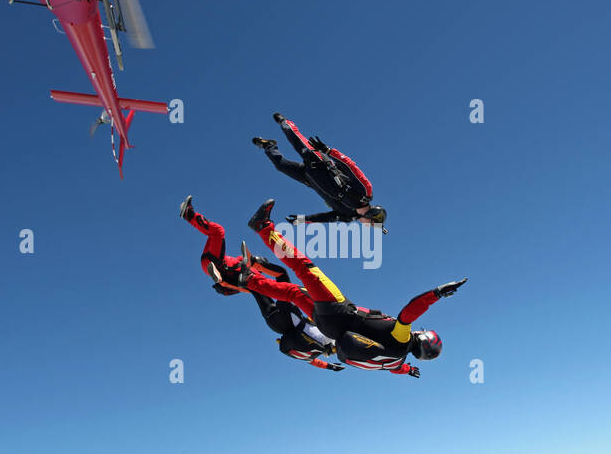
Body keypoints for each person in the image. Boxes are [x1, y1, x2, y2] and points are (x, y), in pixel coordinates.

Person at [238, 198, 466, 376]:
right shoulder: (396, 360)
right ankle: (248, 280)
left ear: (422, 338)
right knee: (294, 293)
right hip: (329, 328)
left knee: (304, 267)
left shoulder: (403, 338)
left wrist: (436, 294)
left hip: (339, 311)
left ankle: (263, 228)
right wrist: (409, 371)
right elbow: (397, 370)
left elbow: (409, 312)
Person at [180, 196, 342, 370]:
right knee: (255, 285)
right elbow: (309, 359)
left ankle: (246, 268)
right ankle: (235, 279)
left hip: (287, 317)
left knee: (279, 276)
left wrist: (329, 360)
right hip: (276, 323)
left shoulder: (330, 331)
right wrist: (329, 366)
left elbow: (321, 343)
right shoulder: (317, 344)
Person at [252, 113, 388, 230]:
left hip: (309, 179)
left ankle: (269, 145)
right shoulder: (365, 192)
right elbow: (350, 167)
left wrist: (303, 220)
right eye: (370, 225)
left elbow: (326, 218)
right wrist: (328, 151)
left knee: (280, 166)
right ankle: (284, 121)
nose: (366, 227)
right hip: (319, 163)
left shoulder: (349, 216)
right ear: (371, 216)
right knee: (294, 138)